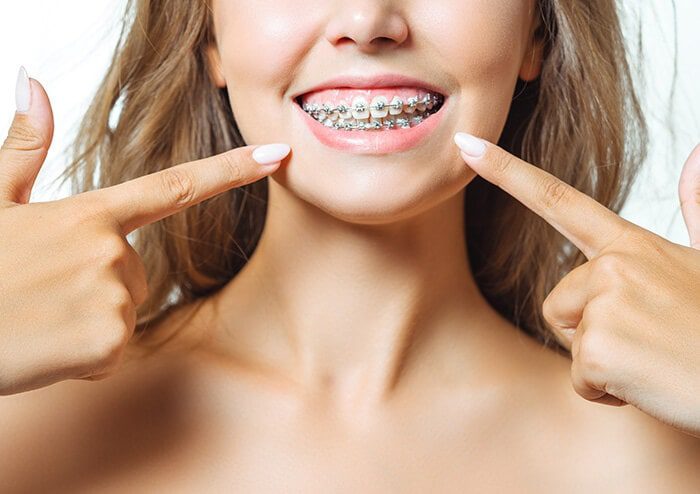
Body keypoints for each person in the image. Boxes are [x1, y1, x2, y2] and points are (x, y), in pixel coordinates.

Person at [1, 0, 699, 491]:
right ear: (208, 38)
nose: (368, 22)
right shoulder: (21, 425)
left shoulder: (665, 459)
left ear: (536, 35)